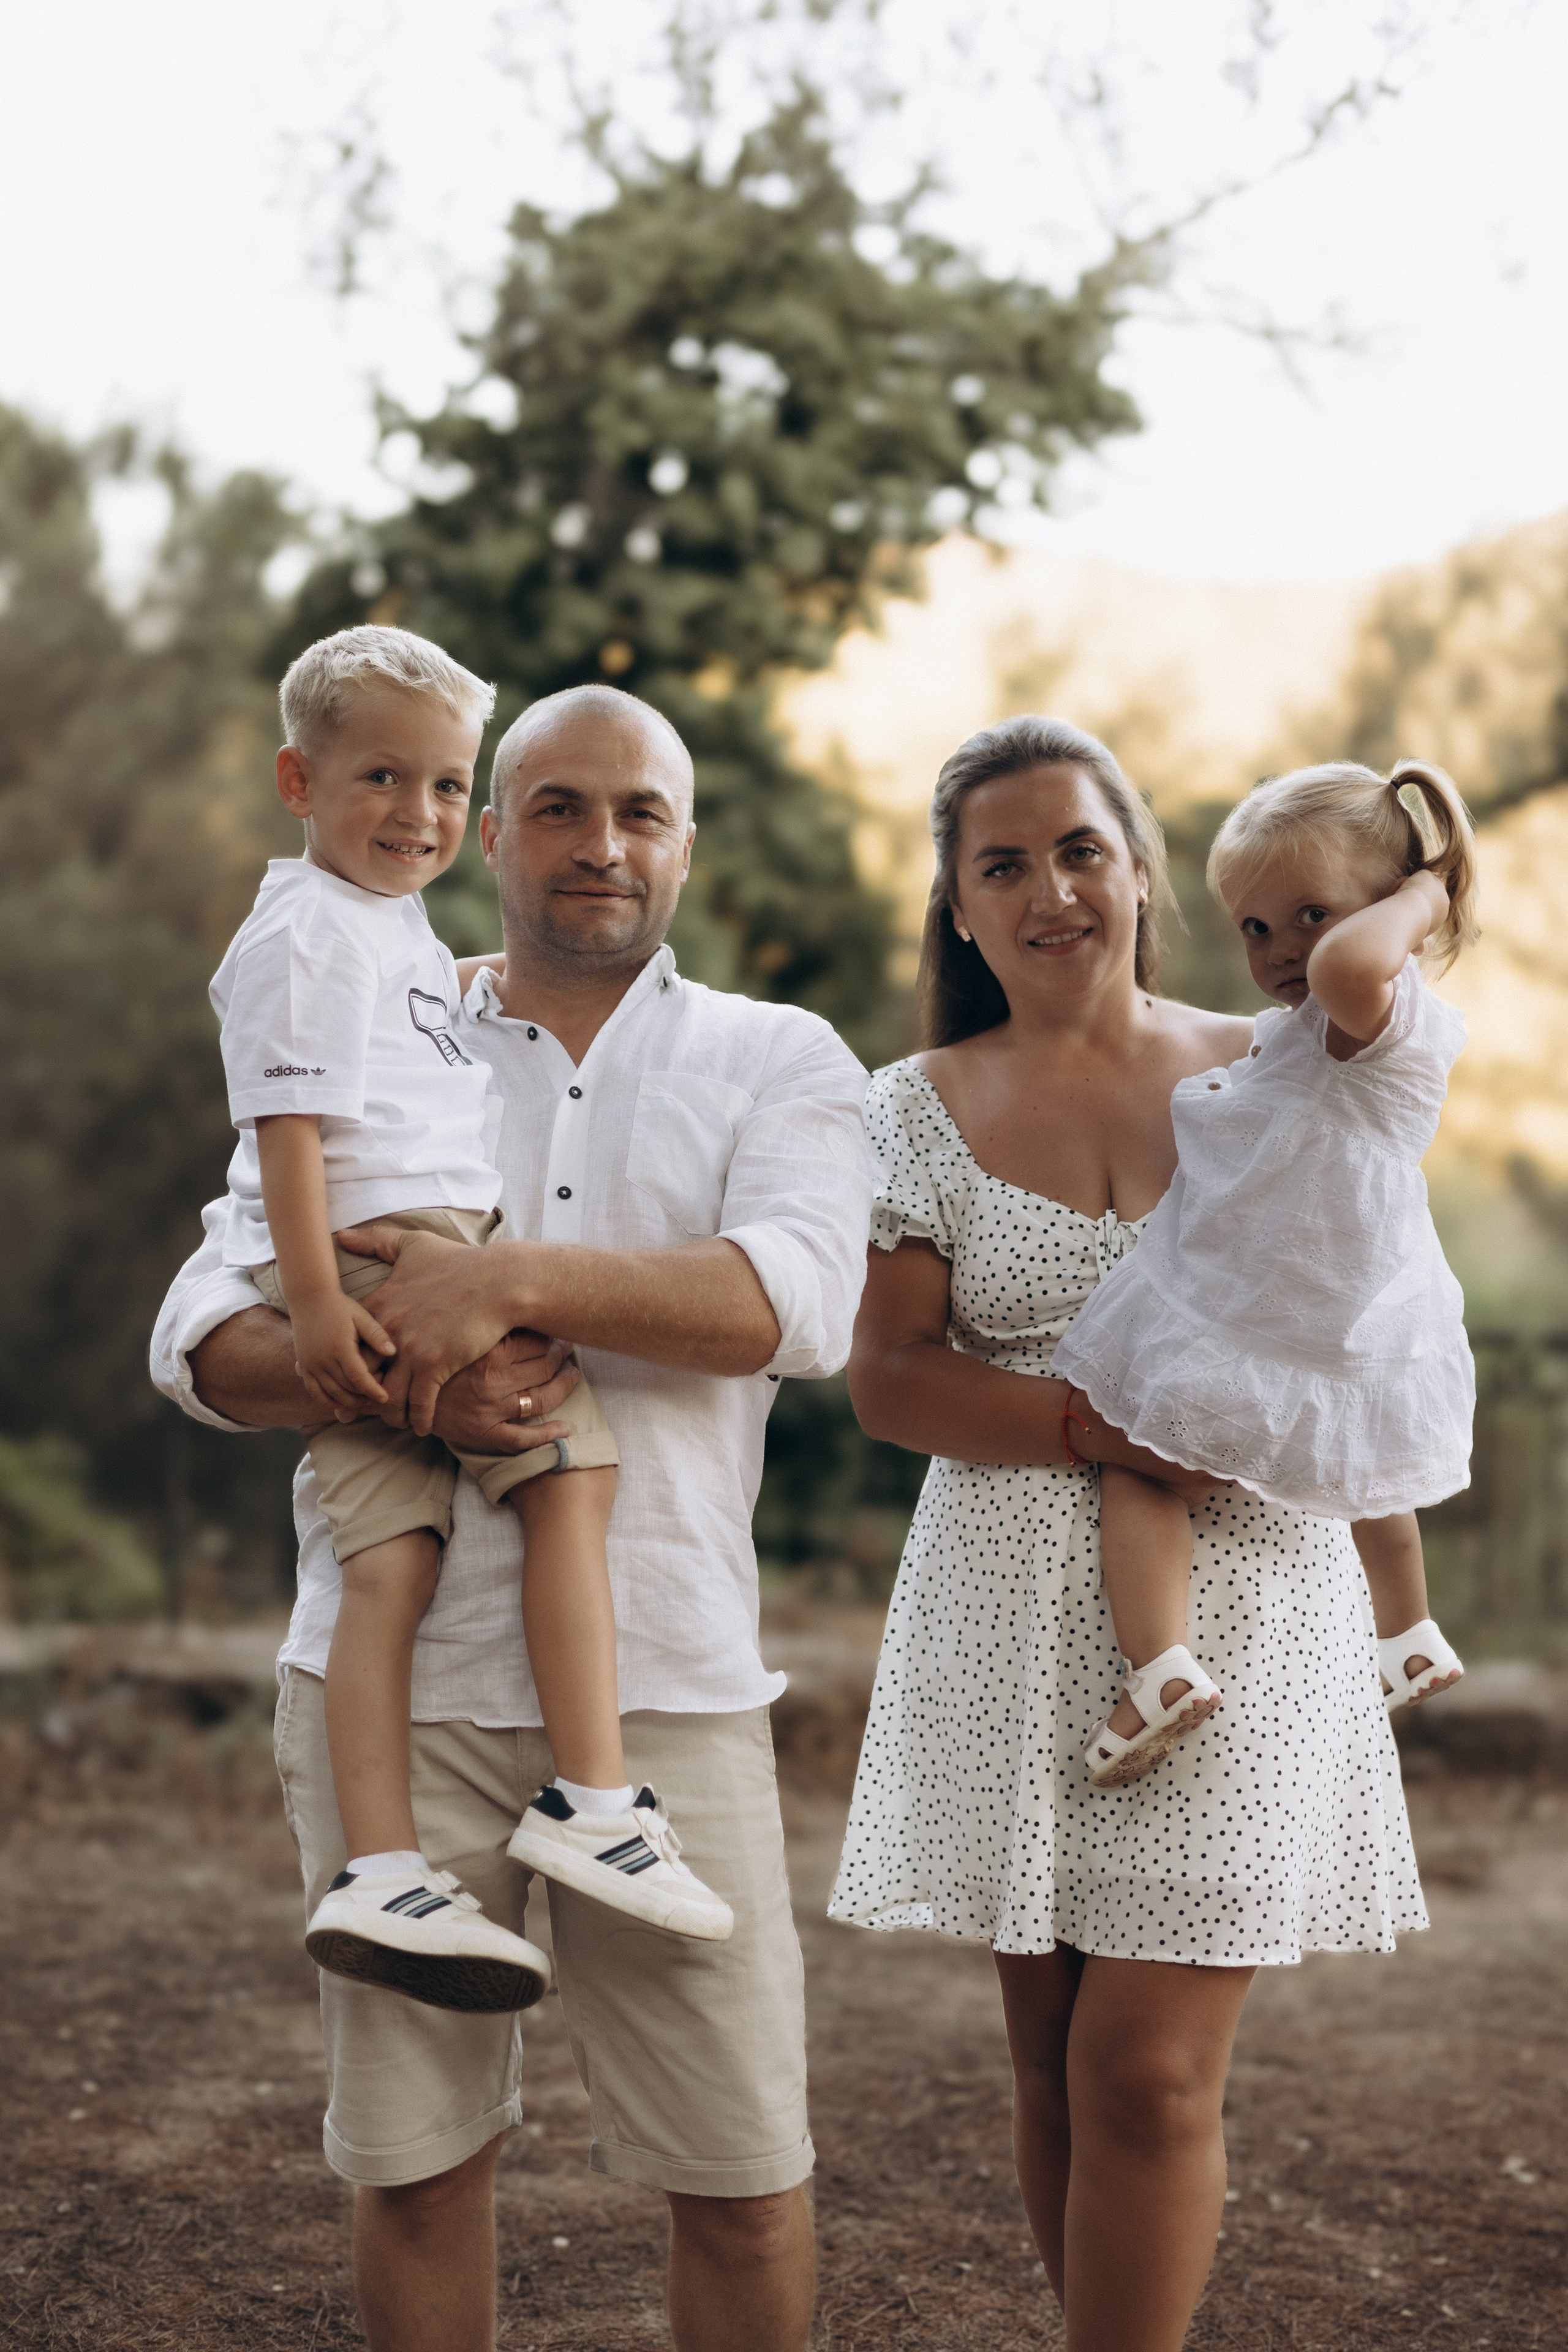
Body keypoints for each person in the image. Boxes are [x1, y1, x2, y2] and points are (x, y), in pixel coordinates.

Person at [152, 682, 872, 2352]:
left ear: (686, 843)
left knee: (748, 2182)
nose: (599, 843)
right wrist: (412, 1377)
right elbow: (198, 1332)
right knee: (414, 2173)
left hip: (667, 1693)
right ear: (491, 832)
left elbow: (800, 1305)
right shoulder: (371, 1008)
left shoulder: (781, 1057)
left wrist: (507, 1282)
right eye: (555, 806)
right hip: (389, 1688)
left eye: (639, 813)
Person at [830, 715, 1426, 2352]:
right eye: (1001, 864)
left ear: (1144, 869)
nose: (1048, 891)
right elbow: (890, 1381)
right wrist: (1103, 1426)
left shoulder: (1275, 1063)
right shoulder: (912, 1107)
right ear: (957, 906)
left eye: (1079, 849)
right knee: (1052, 2066)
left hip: (1244, 1607)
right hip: (1007, 1607)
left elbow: (1365, 1296)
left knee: (1145, 2073)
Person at [208, 625, 728, 2016]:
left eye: (442, 786)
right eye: (382, 777)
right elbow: (285, 1128)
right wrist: (323, 1307)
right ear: (296, 781)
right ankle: (594, 1798)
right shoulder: (313, 930)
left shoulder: (390, 935)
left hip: (407, 1250)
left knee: (393, 1556)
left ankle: (382, 1868)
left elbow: (784, 1308)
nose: (416, 814)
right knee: (572, 1473)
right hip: (392, 1257)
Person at [1055, 758, 1474, 1787]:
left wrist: (1432, 891)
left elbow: (1346, 971)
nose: (1286, 950)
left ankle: (1157, 1664)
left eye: (1314, 914)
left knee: (1136, 1454)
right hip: (1324, 1297)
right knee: (1367, 1465)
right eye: (1255, 927)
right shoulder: (1319, 1028)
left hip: (1268, 1299)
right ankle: (1410, 1633)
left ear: (1390, 913)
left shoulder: (1382, 1011)